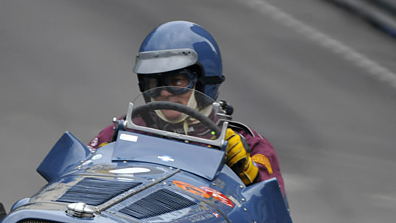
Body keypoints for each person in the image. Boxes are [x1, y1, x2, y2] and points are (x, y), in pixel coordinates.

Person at [89, 21, 285, 194]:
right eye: (153, 82)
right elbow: (75, 175)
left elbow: (272, 214)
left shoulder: (247, 144)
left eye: (177, 81)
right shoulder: (122, 131)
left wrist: (245, 170)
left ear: (203, 82)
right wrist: (99, 159)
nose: (164, 93)